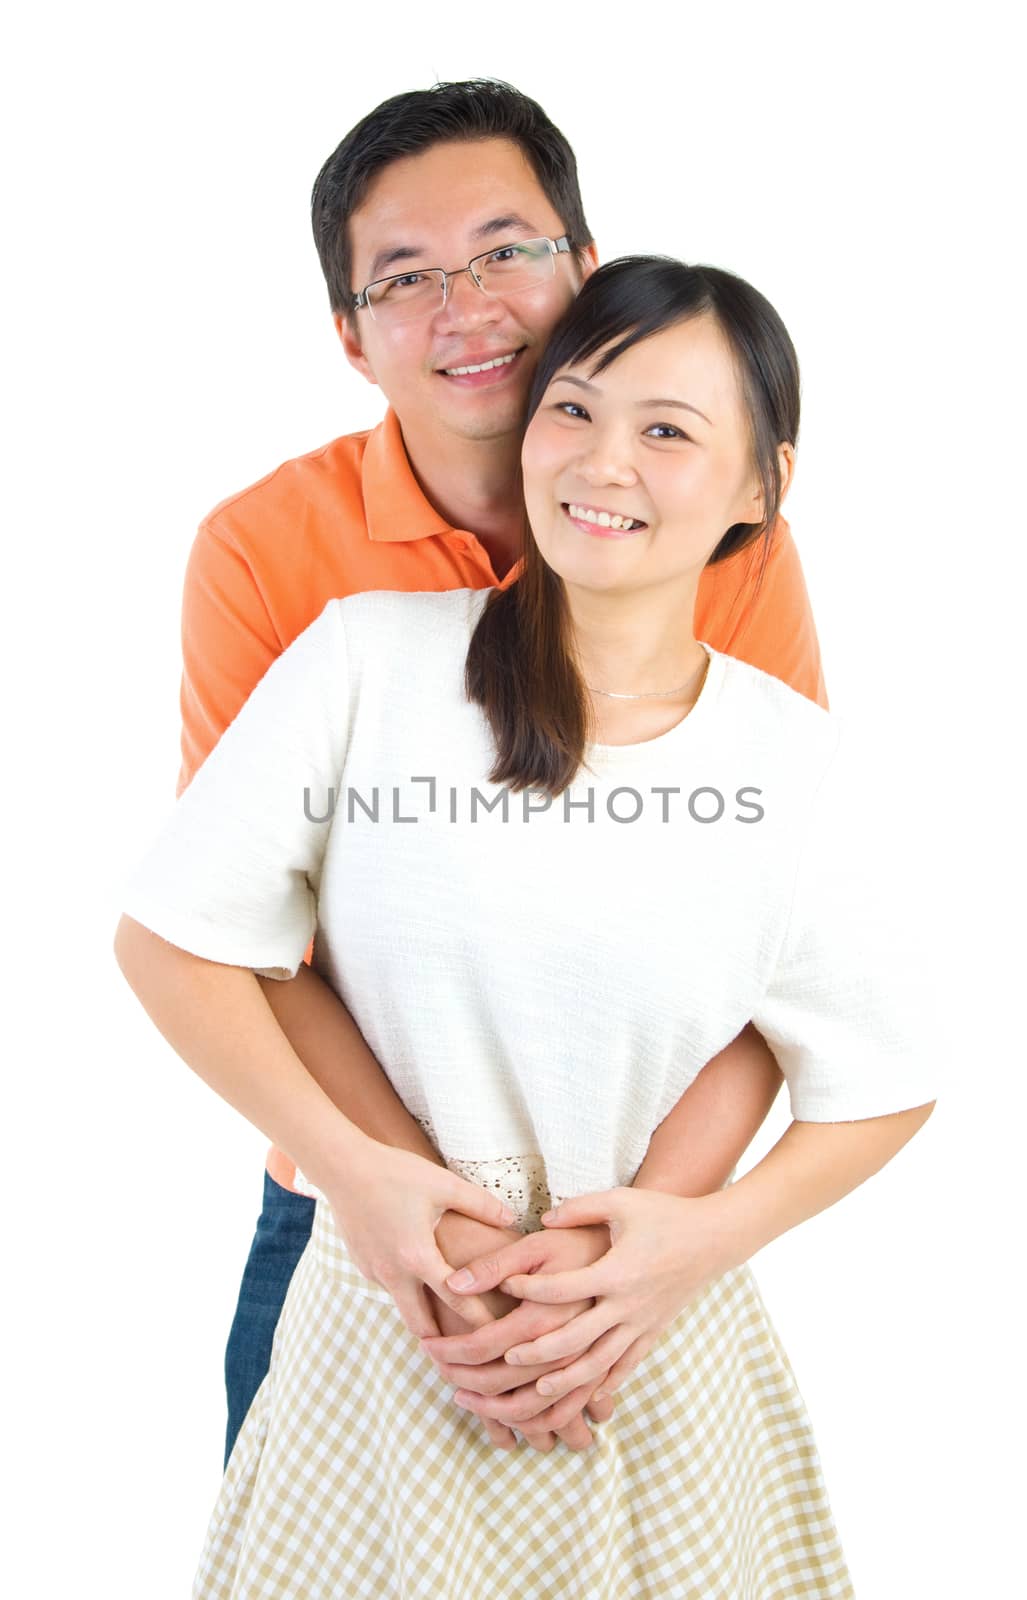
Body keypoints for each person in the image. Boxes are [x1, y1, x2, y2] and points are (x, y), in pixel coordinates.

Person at [115, 253, 938, 1596]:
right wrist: (364, 1186)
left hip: (645, 1348)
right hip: (391, 1328)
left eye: (669, 432)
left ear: (758, 488)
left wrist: (691, 1245)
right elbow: (175, 938)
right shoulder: (367, 660)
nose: (604, 462)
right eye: (575, 409)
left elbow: (882, 1082)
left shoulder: (794, 762)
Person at [179, 79, 830, 1464]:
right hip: (347, 1210)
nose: (464, 305)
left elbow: (781, 936)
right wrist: (413, 1204)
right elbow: (247, 941)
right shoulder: (266, 557)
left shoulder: (723, 537)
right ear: (353, 341)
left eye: (504, 250)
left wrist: (635, 1251)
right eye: (404, 278)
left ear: (582, 269)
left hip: (631, 1231)